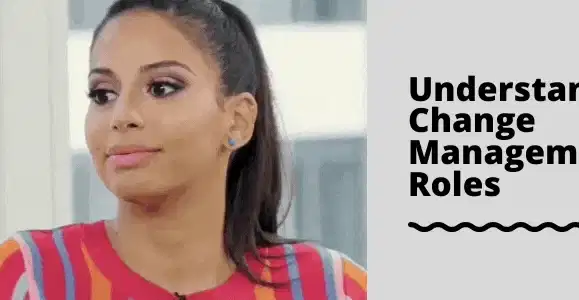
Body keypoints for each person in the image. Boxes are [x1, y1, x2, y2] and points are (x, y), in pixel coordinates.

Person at [0, 0, 367, 299]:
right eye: (103, 94)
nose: (121, 116)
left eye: (161, 88)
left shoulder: (330, 288)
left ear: (237, 120)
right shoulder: (29, 277)